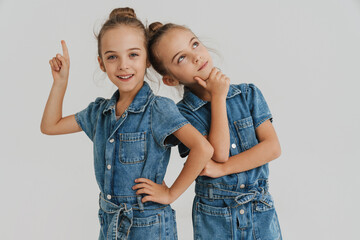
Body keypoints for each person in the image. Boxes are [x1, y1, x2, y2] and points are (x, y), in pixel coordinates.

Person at [40, 8, 213, 240]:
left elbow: (203, 148)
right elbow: (50, 126)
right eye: (112, 57)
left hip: (149, 226)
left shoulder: (158, 109)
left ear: (147, 60)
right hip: (110, 223)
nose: (123, 65)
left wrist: (171, 193)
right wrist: (60, 82)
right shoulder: (99, 113)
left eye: (133, 55)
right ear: (101, 64)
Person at [144, 22, 282, 239]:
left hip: (260, 209)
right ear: (171, 80)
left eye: (195, 45)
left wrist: (222, 170)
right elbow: (219, 153)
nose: (196, 57)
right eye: (181, 58)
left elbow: (272, 148)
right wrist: (218, 97)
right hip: (216, 216)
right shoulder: (182, 115)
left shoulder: (248, 95)